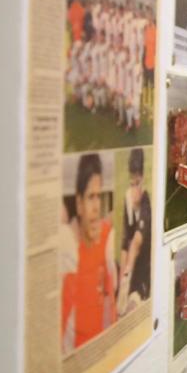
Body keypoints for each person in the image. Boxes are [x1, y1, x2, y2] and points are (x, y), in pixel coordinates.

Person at [61, 152, 117, 351]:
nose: (96, 207)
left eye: (99, 197)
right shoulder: (68, 250)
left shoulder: (107, 238)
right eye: (90, 197)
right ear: (78, 204)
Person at [120, 147, 151, 307]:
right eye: (131, 183)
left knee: (134, 301)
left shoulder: (146, 204)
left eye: (137, 184)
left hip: (142, 274)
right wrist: (121, 283)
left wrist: (127, 275)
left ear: (143, 179)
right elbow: (126, 242)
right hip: (130, 269)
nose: (133, 190)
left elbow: (136, 243)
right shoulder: (127, 198)